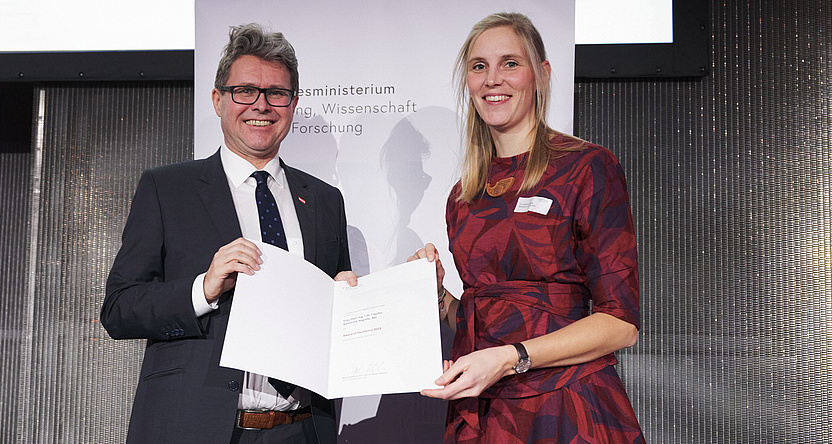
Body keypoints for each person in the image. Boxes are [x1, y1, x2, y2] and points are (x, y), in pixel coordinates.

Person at [101, 23, 356, 444]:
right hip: (194, 427)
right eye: (245, 91)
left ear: (292, 104)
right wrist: (204, 288)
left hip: (301, 431)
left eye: (277, 93)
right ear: (219, 99)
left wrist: (348, 303)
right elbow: (119, 308)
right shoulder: (167, 189)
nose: (262, 105)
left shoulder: (326, 200)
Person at [409, 12, 645, 443]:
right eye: (479, 66)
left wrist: (510, 358)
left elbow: (620, 323)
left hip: (565, 406)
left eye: (510, 63)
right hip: (485, 413)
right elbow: (487, 318)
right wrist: (437, 294)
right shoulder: (464, 196)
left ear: (541, 74)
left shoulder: (587, 167)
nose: (492, 79)